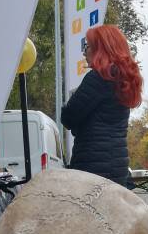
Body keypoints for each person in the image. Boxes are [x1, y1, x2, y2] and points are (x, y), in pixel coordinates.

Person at [61, 25, 142, 186]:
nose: (84, 52)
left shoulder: (97, 78)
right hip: (117, 163)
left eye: (88, 46)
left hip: (93, 166)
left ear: (101, 49)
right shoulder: (123, 78)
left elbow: (68, 117)